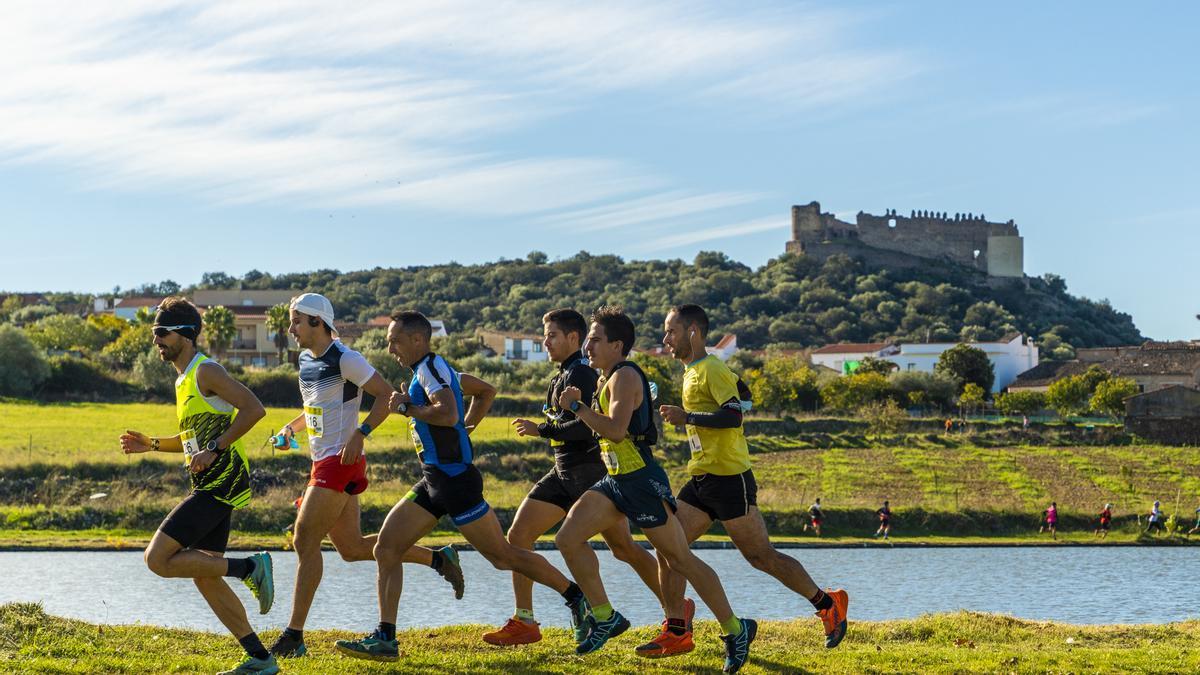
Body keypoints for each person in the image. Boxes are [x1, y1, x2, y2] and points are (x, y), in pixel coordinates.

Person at [335, 311, 590, 663]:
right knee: (387, 547)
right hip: (433, 479)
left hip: (455, 481)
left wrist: (412, 409)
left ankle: (577, 599)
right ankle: (385, 638)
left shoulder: (430, 369)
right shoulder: (437, 370)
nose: (389, 346)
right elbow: (485, 392)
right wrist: (464, 429)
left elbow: (448, 412)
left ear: (417, 340)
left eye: (395, 340)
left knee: (502, 556)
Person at [554, 306, 757, 674]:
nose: (587, 346)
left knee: (680, 560)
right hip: (615, 480)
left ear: (617, 346)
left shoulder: (626, 376)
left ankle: (734, 628)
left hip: (641, 482)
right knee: (568, 537)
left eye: (595, 340)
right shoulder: (606, 377)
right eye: (587, 340)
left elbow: (616, 430)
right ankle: (605, 616)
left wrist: (577, 407)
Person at [268, 294, 464, 659]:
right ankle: (438, 559)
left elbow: (386, 395)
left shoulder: (346, 359)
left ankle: (293, 636)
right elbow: (314, 408)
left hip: (340, 462)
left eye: (296, 321)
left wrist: (362, 433)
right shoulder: (306, 361)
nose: (291, 328)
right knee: (352, 548)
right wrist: (292, 429)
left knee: (303, 539)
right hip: (322, 460)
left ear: (317, 322)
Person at [657, 304, 848, 652]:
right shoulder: (695, 370)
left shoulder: (710, 368)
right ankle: (677, 626)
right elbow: (742, 395)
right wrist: (705, 412)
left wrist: (688, 417)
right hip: (702, 478)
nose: (665, 338)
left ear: (693, 332)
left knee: (761, 557)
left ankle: (828, 604)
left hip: (730, 479)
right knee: (669, 547)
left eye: (671, 331)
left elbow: (733, 417)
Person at [483, 308, 679, 647]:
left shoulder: (585, 374)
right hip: (562, 473)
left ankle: (674, 612)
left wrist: (543, 429)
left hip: (590, 472)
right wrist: (549, 427)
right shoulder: (562, 374)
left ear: (573, 338)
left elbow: (586, 428)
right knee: (518, 536)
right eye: (545, 335)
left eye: (552, 336)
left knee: (624, 548)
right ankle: (525, 620)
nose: (545, 341)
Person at [119, 297, 278, 675]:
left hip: (221, 482)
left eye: (162, 332)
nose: (156, 340)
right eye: (154, 332)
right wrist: (152, 445)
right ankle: (260, 658)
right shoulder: (183, 378)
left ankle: (250, 567)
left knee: (156, 559)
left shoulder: (206, 371)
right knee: (205, 576)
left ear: (186, 335)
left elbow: (254, 408)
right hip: (209, 480)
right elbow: (192, 438)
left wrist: (215, 448)